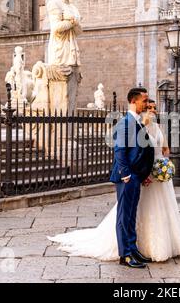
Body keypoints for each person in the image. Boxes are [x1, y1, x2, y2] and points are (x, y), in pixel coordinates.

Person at [48, 87, 159, 269]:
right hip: (128, 177)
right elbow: (120, 151)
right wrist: (126, 175)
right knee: (124, 216)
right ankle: (126, 255)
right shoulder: (125, 123)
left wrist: (142, 173)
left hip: (136, 176)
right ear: (133, 100)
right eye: (144, 100)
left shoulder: (137, 121)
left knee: (131, 215)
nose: (147, 104)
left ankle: (133, 249)